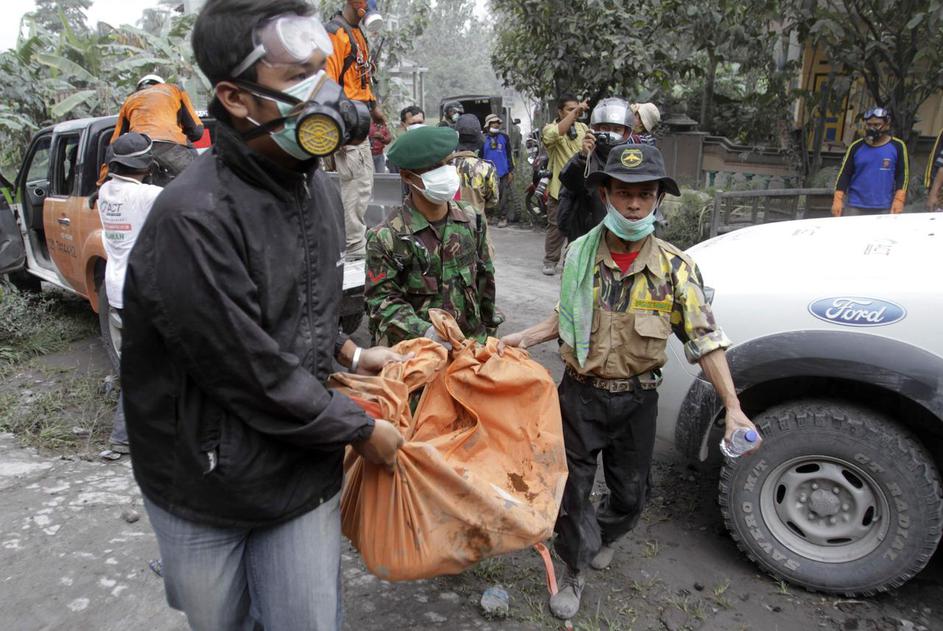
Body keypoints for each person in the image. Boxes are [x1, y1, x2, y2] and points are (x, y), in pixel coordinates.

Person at [121, 3, 407, 629]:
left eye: (321, 71)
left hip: (300, 471)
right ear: (235, 97)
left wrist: (351, 353)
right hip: (205, 483)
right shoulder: (193, 219)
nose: (325, 93)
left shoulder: (318, 190)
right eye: (297, 77)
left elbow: (298, 307)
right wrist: (360, 429)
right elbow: (247, 367)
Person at [499, 143, 758, 621]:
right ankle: (574, 567)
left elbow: (705, 339)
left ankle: (608, 531)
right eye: (623, 193)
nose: (634, 204)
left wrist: (733, 406)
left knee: (631, 494)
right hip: (579, 394)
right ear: (606, 195)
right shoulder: (579, 254)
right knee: (571, 491)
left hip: (637, 400)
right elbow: (566, 317)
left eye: (644, 194)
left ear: (658, 198)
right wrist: (523, 337)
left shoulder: (676, 268)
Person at [365, 125, 503, 347]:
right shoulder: (387, 237)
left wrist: (489, 337)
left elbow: (485, 282)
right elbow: (381, 302)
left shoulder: (472, 219)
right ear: (407, 176)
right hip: (418, 353)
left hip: (469, 348)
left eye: (448, 163)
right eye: (434, 168)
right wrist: (428, 332)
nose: (446, 172)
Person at [96, 133, 163, 456]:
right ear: (146, 164)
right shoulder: (147, 195)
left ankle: (129, 436)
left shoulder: (105, 192)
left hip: (118, 290)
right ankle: (125, 437)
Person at [325, 0, 386, 260]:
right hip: (346, 119)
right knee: (355, 184)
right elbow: (327, 84)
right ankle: (354, 246)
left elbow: (361, 78)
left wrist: (374, 107)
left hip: (359, 117)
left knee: (362, 183)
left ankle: (354, 242)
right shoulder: (334, 34)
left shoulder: (357, 33)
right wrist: (337, 127)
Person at [557, 97, 641, 241]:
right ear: (595, 128)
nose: (610, 134)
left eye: (617, 129)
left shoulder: (632, 159)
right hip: (586, 236)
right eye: (605, 128)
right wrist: (583, 157)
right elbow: (569, 183)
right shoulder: (585, 156)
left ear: (626, 132)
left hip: (622, 236)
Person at [105, 74, 204, 185]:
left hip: (141, 151)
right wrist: (180, 138)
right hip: (169, 145)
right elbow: (197, 130)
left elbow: (115, 143)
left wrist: (103, 181)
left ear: (139, 88)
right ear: (161, 84)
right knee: (200, 181)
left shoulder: (129, 100)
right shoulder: (174, 90)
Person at [541, 93, 589, 275]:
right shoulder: (551, 128)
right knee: (556, 226)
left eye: (576, 109)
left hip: (581, 188)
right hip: (559, 189)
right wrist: (576, 112)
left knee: (579, 226)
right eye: (570, 110)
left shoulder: (583, 128)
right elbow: (552, 136)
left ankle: (571, 260)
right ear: (560, 112)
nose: (575, 113)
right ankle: (550, 260)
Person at [832, 107, 909, 216]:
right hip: (855, 205)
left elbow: (903, 175)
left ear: (886, 125)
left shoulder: (898, 146)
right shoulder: (856, 146)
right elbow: (844, 173)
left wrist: (899, 199)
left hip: (884, 206)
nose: (872, 128)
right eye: (869, 125)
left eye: (877, 125)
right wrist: (838, 199)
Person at [452, 113, 499, 220]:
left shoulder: (445, 166)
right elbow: (493, 201)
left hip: (450, 226)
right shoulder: (486, 168)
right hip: (476, 224)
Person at [482, 114, 516, 227]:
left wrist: (510, 171)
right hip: (487, 173)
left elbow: (509, 155)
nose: (496, 124)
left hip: (503, 172)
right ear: (488, 125)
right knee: (488, 195)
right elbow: (480, 157)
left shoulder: (504, 137)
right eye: (493, 123)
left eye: (498, 122)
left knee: (503, 196)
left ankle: (503, 218)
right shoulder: (482, 139)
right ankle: (489, 216)